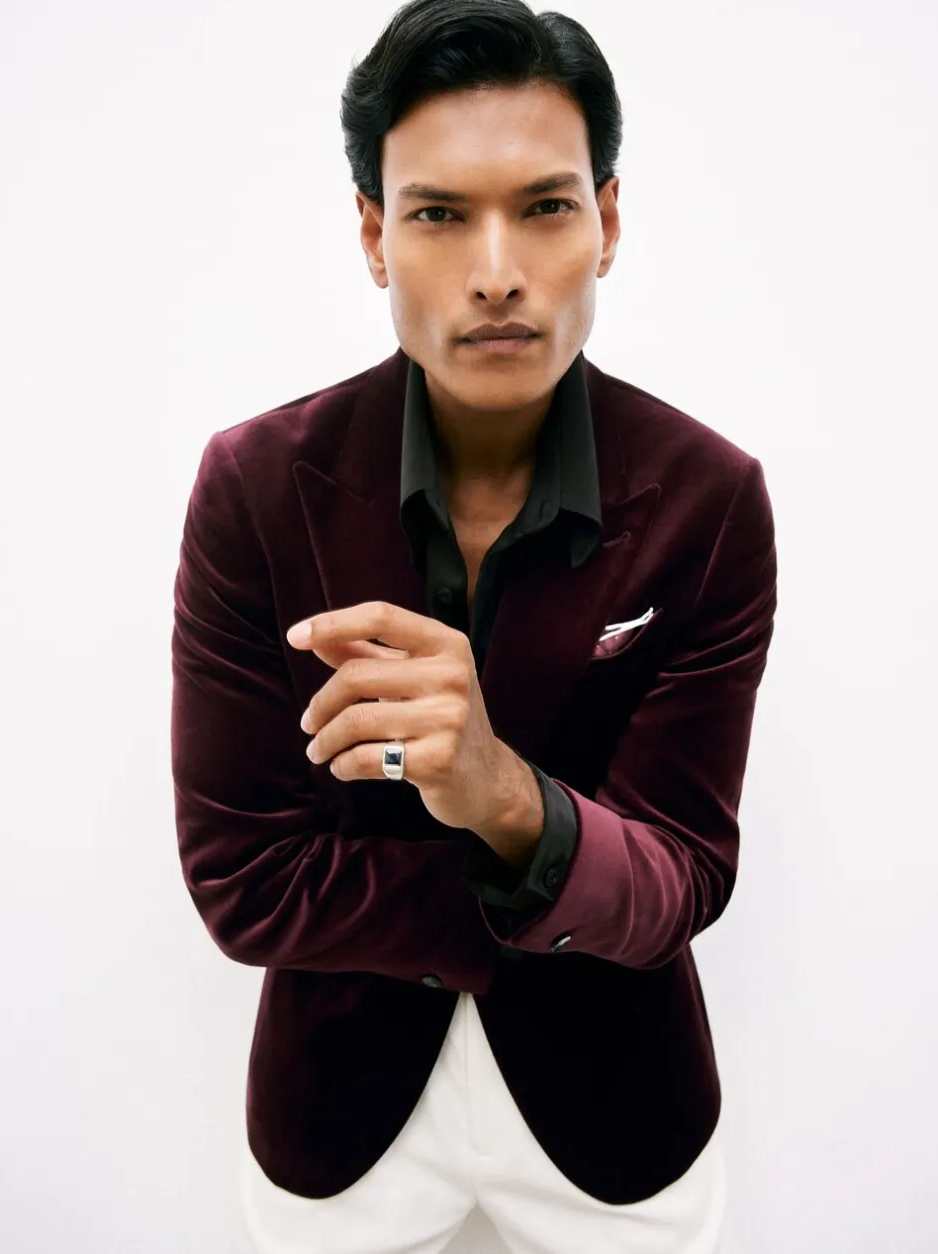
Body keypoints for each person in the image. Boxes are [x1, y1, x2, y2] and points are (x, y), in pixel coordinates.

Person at [170, 1, 778, 1250]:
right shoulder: (254, 488)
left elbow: (687, 876)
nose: (496, 270)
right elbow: (241, 883)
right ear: (374, 236)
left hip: (617, 1119)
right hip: (341, 1120)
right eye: (440, 214)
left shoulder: (710, 498)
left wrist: (504, 794)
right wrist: (565, 872)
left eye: (545, 207)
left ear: (607, 223)